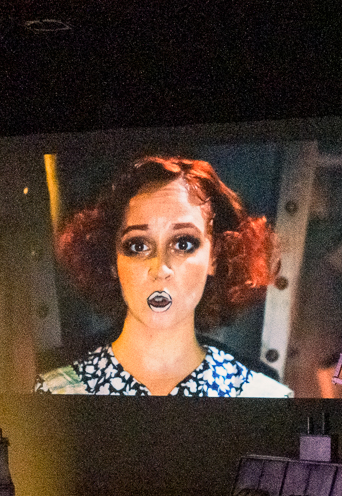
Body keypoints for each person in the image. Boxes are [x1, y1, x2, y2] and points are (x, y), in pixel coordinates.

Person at [36, 154, 296, 397]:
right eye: (138, 246)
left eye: (183, 243)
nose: (160, 268)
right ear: (112, 260)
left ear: (215, 257)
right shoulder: (56, 391)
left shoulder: (263, 395)